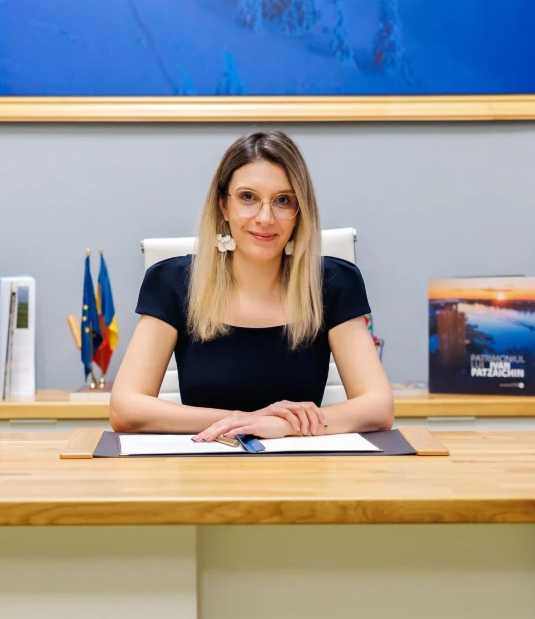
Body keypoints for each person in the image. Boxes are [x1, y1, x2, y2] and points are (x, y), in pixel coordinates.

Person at [109, 131, 394, 441]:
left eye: (283, 200)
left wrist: (284, 425)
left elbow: (378, 407)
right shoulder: (172, 282)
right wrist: (247, 421)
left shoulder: (333, 283)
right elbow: (125, 409)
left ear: (300, 211)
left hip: (303, 465)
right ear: (223, 205)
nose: (265, 217)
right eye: (248, 197)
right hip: (202, 464)